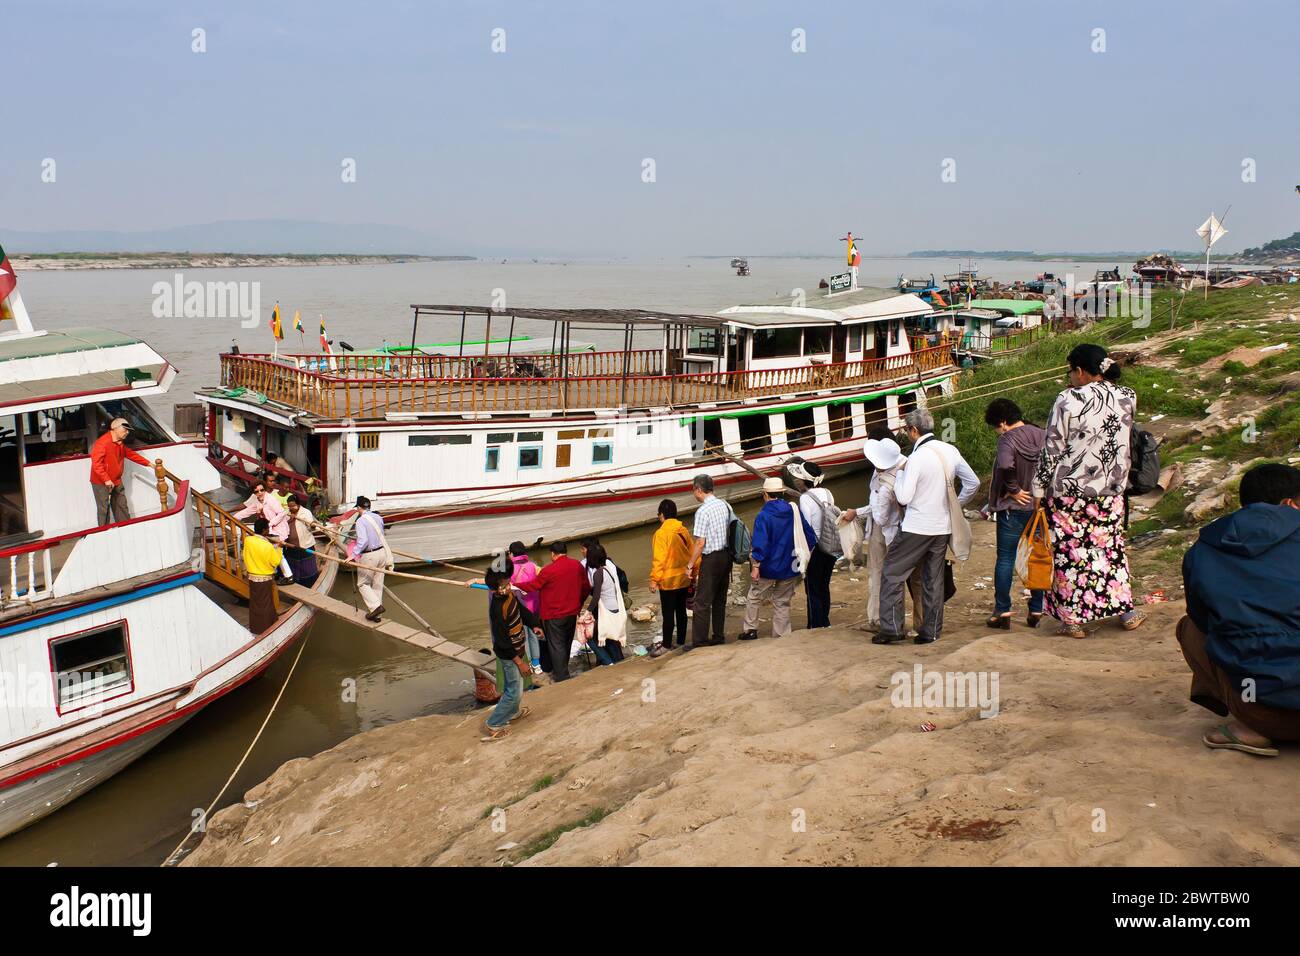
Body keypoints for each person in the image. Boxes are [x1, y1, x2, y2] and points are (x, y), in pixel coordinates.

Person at [1178, 463, 1300, 756]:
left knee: (1190, 628)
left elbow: (1203, 620)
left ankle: (1247, 726)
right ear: (1289, 504)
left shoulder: (1203, 550)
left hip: (1264, 713)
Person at [1031, 344, 1144, 638]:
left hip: (1069, 491)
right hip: (1112, 489)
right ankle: (1126, 611)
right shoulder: (1128, 396)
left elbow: (1051, 449)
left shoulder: (1067, 399)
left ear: (1080, 371)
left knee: (1071, 552)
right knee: (1111, 548)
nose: (1070, 376)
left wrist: (1038, 488)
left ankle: (1073, 621)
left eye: (1070, 370)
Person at [875, 408, 978, 645]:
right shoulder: (949, 450)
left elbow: (903, 497)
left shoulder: (916, 458)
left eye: (907, 430)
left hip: (917, 525)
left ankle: (891, 628)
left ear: (913, 430)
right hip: (942, 526)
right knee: (934, 578)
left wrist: (900, 475)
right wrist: (953, 504)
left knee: (892, 572)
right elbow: (972, 483)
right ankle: (930, 631)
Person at [840, 433, 921, 630]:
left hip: (890, 530)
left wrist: (862, 510)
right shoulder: (901, 465)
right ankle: (887, 619)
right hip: (894, 529)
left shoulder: (887, 484)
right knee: (889, 576)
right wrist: (858, 511)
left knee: (886, 576)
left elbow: (881, 517)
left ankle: (885, 621)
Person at [983, 398, 1047, 629]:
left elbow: (1004, 465)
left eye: (996, 427)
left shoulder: (1007, 439)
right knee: (1036, 557)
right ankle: (1037, 609)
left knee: (1006, 559)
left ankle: (1002, 611)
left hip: (1013, 509)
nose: (997, 432)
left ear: (1002, 422)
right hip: (1038, 509)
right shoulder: (1041, 434)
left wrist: (1013, 490)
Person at [740, 477, 816, 640]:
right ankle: (781, 635)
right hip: (790, 564)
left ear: (765, 494)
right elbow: (810, 536)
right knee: (782, 601)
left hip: (768, 567)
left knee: (754, 596)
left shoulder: (764, 515)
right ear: (781, 493)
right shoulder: (793, 510)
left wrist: (756, 566)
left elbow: (760, 543)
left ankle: (750, 630)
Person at [481, 567, 543, 741]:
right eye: (504, 586)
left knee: (514, 685)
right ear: (495, 589)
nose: (508, 587)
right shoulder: (497, 608)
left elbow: (522, 612)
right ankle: (494, 722)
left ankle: (513, 712)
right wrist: (520, 662)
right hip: (508, 654)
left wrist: (534, 625)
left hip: (517, 646)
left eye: (508, 583)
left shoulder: (510, 596)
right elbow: (502, 642)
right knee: (514, 691)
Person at [516, 541, 590, 682]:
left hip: (553, 615)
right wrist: (578, 604)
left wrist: (515, 585)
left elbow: (533, 586)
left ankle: (562, 677)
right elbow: (586, 587)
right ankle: (563, 671)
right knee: (566, 643)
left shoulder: (549, 570)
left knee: (556, 646)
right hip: (571, 613)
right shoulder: (577, 565)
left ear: (552, 554)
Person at [788, 460, 840, 629]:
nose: (797, 481)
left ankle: (815, 624)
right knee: (824, 585)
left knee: (812, 588)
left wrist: (803, 554)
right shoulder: (828, 492)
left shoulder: (805, 498)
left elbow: (806, 527)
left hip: (816, 547)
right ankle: (825, 621)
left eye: (799, 479)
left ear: (804, 481)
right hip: (830, 545)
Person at [686, 474, 733, 649]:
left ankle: (700, 641)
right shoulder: (724, 505)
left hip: (711, 558)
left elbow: (700, 543)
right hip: (726, 556)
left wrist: (690, 565)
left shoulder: (702, 511)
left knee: (702, 602)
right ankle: (718, 636)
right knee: (719, 599)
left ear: (698, 489)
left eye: (694, 490)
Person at [648, 499, 693, 656]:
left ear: (662, 514)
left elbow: (658, 560)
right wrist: (695, 570)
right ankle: (680, 641)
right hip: (683, 578)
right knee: (681, 610)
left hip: (668, 580)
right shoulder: (683, 530)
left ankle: (666, 645)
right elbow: (693, 552)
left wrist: (654, 580)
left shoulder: (661, 534)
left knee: (668, 614)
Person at [89, 417, 151, 525]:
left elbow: (130, 454)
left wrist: (149, 463)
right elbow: (96, 464)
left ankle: (126, 527)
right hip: (101, 482)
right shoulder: (102, 443)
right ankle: (104, 532)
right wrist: (106, 480)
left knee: (122, 505)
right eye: (125, 429)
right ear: (114, 428)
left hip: (116, 480)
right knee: (104, 509)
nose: (127, 432)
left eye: (128, 430)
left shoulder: (120, 443)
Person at [579, 540, 627, 666]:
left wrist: (586, 613)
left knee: (589, 636)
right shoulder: (608, 568)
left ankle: (608, 662)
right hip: (615, 608)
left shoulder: (598, 574)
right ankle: (618, 661)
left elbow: (596, 596)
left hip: (606, 610)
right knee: (611, 639)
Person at [233, 481, 294, 582]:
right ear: (254, 493)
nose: (260, 493)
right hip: (268, 530)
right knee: (271, 552)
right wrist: (233, 518)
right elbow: (248, 511)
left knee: (278, 553)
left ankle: (289, 576)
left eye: (262, 490)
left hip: (277, 530)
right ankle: (276, 573)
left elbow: (282, 513)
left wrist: (270, 524)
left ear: (265, 490)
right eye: (257, 491)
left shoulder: (271, 500)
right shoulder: (257, 501)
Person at [351, 495, 390, 622]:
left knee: (362, 584)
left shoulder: (361, 521)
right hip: (382, 553)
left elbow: (363, 541)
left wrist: (353, 554)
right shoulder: (378, 517)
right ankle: (377, 616)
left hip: (370, 555)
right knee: (377, 584)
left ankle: (375, 607)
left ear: (358, 507)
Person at [507, 541, 544, 674]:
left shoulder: (509, 568)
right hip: (533, 606)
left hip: (518, 608)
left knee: (521, 637)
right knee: (533, 635)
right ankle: (536, 664)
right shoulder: (533, 566)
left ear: (511, 553)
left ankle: (526, 663)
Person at [243, 516, 283, 634]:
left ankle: (257, 625)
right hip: (264, 577)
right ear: (265, 530)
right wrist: (279, 549)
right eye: (267, 529)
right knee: (265, 603)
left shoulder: (248, 540)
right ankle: (264, 628)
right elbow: (275, 562)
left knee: (256, 603)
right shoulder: (267, 546)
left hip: (252, 576)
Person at [283, 496, 321, 588]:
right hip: (291, 546)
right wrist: (291, 519)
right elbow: (283, 526)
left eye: (293, 506)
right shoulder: (287, 513)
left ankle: (310, 587)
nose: (291, 508)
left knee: (307, 569)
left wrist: (312, 525)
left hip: (305, 546)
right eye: (289, 506)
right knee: (294, 569)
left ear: (298, 504)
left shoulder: (305, 512)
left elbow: (310, 525)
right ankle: (296, 587)